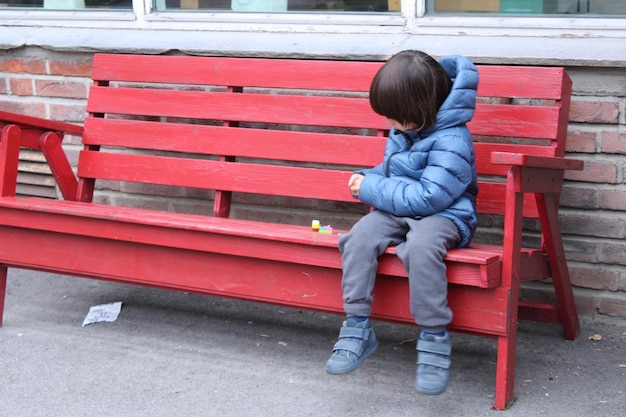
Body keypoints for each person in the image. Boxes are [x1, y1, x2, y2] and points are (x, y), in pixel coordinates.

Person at [325, 50, 479, 396]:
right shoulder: (408, 128)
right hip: (400, 208)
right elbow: (396, 173)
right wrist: (367, 179)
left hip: (445, 214)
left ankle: (434, 336)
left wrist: (373, 188)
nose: (391, 124)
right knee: (359, 237)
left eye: (397, 117)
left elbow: (430, 197)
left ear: (421, 109)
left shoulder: (452, 139)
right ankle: (358, 326)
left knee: (420, 247)